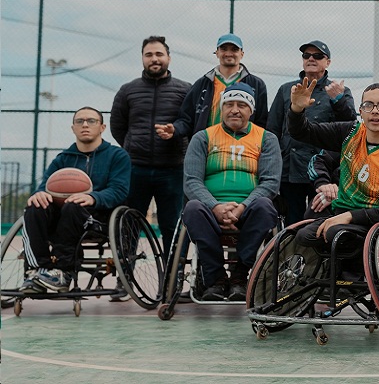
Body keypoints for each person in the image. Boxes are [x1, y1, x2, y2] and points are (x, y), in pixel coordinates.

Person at [287, 80, 379, 276]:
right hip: (341, 213)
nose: (375, 111)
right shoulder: (350, 132)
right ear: (361, 111)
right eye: (368, 105)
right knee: (303, 234)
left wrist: (350, 216)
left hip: (375, 223)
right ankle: (323, 274)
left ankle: (351, 273)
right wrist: (297, 109)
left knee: (335, 233)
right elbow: (303, 131)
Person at [181, 82, 281, 301]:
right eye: (230, 104)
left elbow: (270, 183)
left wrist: (243, 206)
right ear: (221, 108)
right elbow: (191, 181)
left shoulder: (267, 139)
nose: (235, 109)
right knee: (192, 208)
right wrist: (215, 207)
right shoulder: (202, 137)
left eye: (242, 105)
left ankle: (240, 277)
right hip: (210, 208)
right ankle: (215, 279)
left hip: (249, 209)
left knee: (266, 206)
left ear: (251, 110)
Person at [19, 107, 131, 293]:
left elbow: (119, 191)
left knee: (73, 206)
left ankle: (64, 272)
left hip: (98, 220)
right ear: (73, 128)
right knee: (34, 207)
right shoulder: (63, 159)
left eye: (91, 121)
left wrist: (93, 197)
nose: (85, 125)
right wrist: (39, 193)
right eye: (79, 121)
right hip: (61, 219)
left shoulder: (117, 156)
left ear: (102, 127)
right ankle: (40, 269)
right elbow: (45, 185)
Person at [110, 35, 190, 255]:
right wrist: (135, 145)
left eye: (159, 54)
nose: (154, 59)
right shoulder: (128, 90)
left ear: (169, 58)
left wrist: (174, 138)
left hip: (173, 170)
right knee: (129, 224)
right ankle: (125, 278)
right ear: (142, 59)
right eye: (149, 55)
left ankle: (173, 280)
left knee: (172, 226)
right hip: (135, 169)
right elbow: (118, 127)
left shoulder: (185, 90)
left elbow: (190, 125)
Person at [267, 40, 356, 225]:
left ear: (328, 62)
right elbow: (272, 131)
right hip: (290, 168)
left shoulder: (340, 90)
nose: (311, 59)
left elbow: (351, 128)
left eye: (317, 56)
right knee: (291, 221)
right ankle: (290, 253)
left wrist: (338, 100)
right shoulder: (286, 89)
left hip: (324, 171)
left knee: (320, 219)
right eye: (306, 55)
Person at [306, 90, 379, 215]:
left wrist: (343, 197)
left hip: (375, 210)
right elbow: (319, 159)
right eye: (371, 105)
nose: (377, 111)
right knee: (313, 211)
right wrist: (326, 186)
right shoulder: (352, 135)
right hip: (342, 200)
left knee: (333, 229)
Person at [156, 33, 268, 141]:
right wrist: (175, 129)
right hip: (208, 148)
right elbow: (187, 119)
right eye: (224, 49)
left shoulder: (256, 85)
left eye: (234, 49)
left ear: (242, 54)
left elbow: (262, 122)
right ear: (217, 53)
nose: (229, 53)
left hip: (244, 150)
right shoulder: (201, 84)